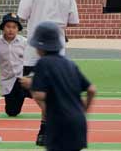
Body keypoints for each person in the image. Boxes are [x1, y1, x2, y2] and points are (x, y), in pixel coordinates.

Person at [22, 21, 96, 149]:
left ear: (40, 47)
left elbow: (40, 95)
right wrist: (84, 109)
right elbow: (91, 89)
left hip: (58, 122)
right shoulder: (70, 64)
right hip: (78, 122)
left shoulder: (43, 64)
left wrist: (31, 85)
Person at [18, 0, 80, 67]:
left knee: (32, 81)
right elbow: (73, 22)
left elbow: (22, 16)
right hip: (57, 49)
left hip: (34, 49)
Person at [0, 13, 28, 117]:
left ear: (18, 29)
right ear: (3, 28)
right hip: (7, 81)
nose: (11, 30)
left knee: (42, 91)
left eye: (14, 27)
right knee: (12, 112)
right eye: (8, 27)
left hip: (23, 79)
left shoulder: (24, 42)